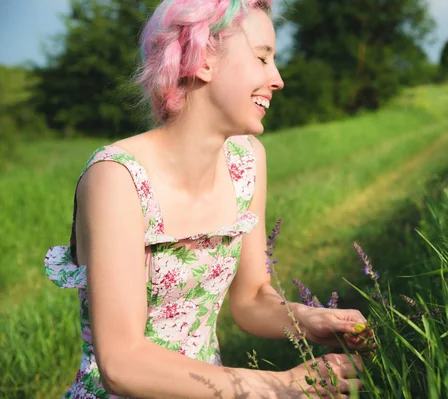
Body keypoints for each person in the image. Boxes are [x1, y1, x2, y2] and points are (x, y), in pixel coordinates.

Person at [44, 0, 372, 397]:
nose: (278, 78)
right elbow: (123, 363)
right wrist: (281, 386)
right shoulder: (117, 177)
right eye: (262, 57)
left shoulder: (247, 160)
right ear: (202, 60)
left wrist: (309, 319)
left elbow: (251, 298)